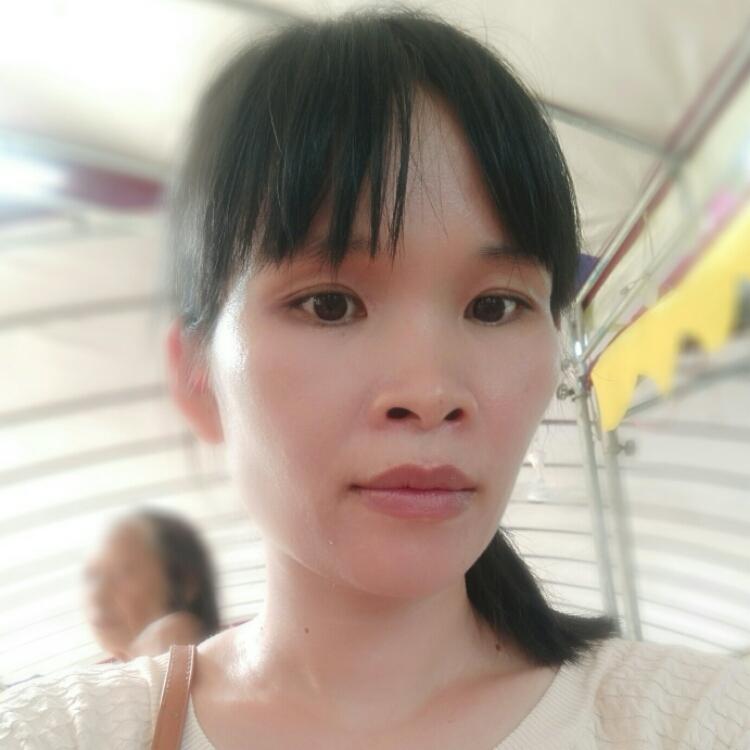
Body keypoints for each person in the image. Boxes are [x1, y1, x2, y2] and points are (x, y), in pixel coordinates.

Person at [2, 9, 749, 749]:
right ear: (197, 378)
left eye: (495, 306)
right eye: (329, 304)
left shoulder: (694, 721)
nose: (429, 393)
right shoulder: (68, 733)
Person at [83, 509, 221, 661]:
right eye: (91, 575)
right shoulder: (101, 672)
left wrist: (169, 666)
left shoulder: (229, 662)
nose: (98, 595)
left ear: (187, 585)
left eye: (123, 573)